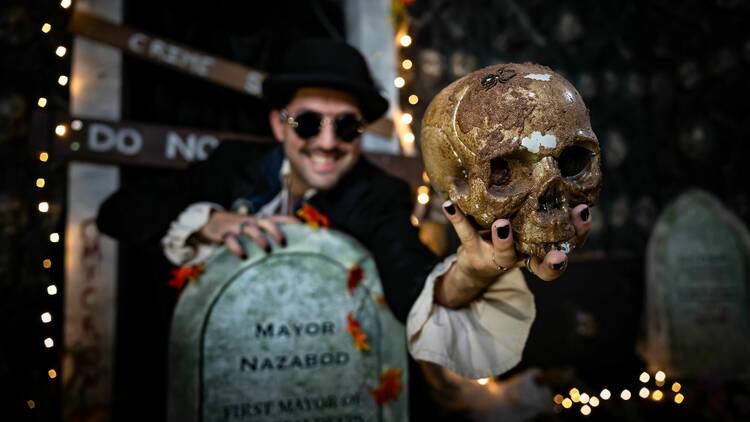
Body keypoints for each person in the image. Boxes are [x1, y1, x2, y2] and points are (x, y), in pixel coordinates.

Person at [96, 38, 592, 419]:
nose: (327, 143)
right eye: (308, 123)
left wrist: (472, 271)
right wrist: (210, 220)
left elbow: (411, 283)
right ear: (278, 124)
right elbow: (118, 211)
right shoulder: (231, 167)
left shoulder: (376, 195)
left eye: (346, 126)